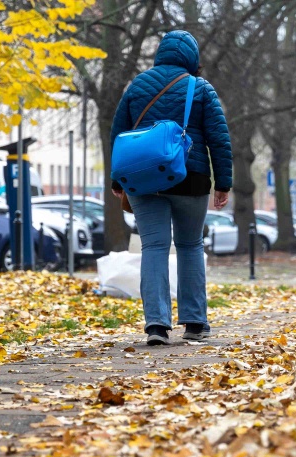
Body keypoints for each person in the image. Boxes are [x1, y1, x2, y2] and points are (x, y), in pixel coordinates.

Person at [110, 30, 232, 346]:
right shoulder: (201, 88)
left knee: (154, 247)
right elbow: (219, 138)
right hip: (190, 177)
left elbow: (118, 134)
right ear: (191, 57)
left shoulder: (136, 87)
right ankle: (194, 322)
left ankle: (156, 326)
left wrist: (116, 179)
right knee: (191, 245)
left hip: (142, 179)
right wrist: (224, 182)